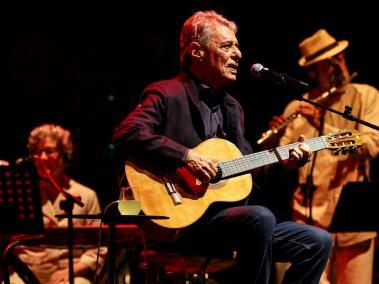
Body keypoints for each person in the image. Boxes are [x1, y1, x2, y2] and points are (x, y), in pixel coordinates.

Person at [112, 10, 332, 284]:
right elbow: (126, 132)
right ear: (197, 52)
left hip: (228, 224)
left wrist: (285, 161)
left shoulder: (233, 108)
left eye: (237, 46)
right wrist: (186, 156)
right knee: (259, 218)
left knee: (318, 240)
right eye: (227, 46)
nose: (238, 54)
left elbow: (246, 169)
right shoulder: (166, 93)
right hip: (181, 223)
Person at [273, 29, 379, 284]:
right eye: (328, 62)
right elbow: (284, 162)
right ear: (313, 69)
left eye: (339, 58)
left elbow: (373, 145)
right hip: (308, 213)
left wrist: (324, 124)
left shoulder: (366, 95)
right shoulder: (298, 107)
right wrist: (278, 143)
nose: (336, 65)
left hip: (354, 213)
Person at [10, 124, 107, 284]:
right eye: (36, 152)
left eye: (48, 151)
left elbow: (99, 247)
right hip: (25, 273)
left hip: (71, 274)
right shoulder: (22, 194)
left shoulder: (86, 195)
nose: (41, 157)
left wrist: (72, 270)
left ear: (64, 154)